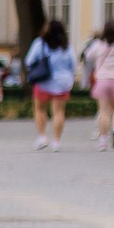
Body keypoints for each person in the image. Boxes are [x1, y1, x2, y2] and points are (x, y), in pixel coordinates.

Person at [83, 20, 114, 148]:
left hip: (103, 80)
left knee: (104, 111)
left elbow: (88, 56)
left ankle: (103, 142)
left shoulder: (99, 44)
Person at [23, 18, 74, 150]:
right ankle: (56, 142)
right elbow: (73, 64)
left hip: (43, 81)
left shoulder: (40, 43)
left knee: (40, 109)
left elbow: (29, 61)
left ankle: (42, 137)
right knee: (59, 112)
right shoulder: (66, 46)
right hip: (63, 82)